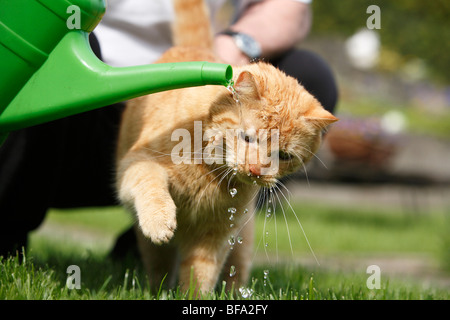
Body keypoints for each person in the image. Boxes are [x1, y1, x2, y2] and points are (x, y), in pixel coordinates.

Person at [0, 0, 337, 257]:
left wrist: (233, 45)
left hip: (197, 103)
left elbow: (288, 7)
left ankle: (163, 246)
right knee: (54, 38)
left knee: (311, 76)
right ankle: (8, 227)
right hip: (84, 100)